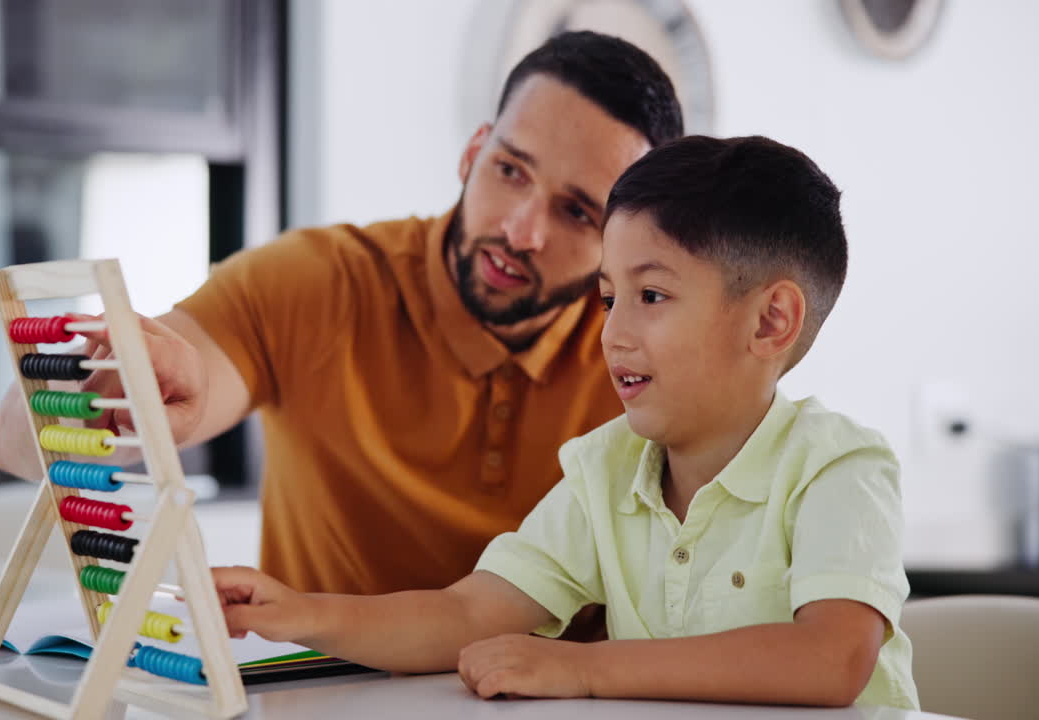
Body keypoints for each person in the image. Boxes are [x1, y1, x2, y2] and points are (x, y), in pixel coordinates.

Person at [208, 135, 919, 709]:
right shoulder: (605, 468)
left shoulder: (838, 466)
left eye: (651, 295)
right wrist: (300, 613)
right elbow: (468, 614)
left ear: (770, 321)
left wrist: (586, 667)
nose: (613, 333)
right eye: (609, 299)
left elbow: (830, 659)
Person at [0, 31, 684, 596]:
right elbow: (24, 441)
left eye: (576, 212)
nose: (521, 230)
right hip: (320, 691)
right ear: (473, 153)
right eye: (510, 171)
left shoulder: (647, 349)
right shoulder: (314, 284)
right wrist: (100, 394)